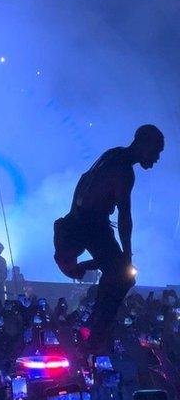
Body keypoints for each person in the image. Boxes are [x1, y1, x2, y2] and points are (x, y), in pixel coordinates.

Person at [53, 124, 164, 351]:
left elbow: (85, 182)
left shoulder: (112, 155)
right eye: (156, 152)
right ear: (144, 144)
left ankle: (96, 327)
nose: (156, 159)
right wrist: (127, 254)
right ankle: (96, 334)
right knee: (123, 276)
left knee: (117, 271)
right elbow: (125, 216)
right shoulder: (123, 170)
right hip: (90, 224)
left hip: (84, 222)